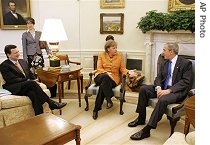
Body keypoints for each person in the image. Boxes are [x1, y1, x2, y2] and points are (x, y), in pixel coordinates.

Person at [128, 42, 193, 140]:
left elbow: (185, 82)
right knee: (143, 89)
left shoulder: (185, 63)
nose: (162, 53)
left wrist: (169, 90)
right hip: (163, 88)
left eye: (164, 50)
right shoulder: (165, 62)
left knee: (163, 99)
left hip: (176, 92)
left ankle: (147, 129)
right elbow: (158, 77)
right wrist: (158, 87)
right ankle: (141, 118)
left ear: (171, 51)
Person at [0, 44, 67, 115]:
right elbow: (11, 80)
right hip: (14, 86)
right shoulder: (4, 65)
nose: (18, 54)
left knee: (33, 94)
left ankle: (39, 116)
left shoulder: (22, 61)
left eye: (18, 52)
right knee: (31, 83)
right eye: (15, 53)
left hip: (26, 85)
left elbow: (30, 73)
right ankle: (51, 103)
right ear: (8, 55)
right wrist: (29, 81)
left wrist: (34, 79)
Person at [92, 39, 137, 120]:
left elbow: (123, 69)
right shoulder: (101, 55)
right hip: (100, 75)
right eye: (114, 48)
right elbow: (99, 68)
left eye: (116, 47)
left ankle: (96, 109)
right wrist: (106, 73)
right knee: (105, 77)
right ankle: (109, 99)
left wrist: (128, 72)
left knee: (103, 86)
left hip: (113, 79)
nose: (116, 49)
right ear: (108, 49)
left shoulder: (119, 56)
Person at [22, 17, 56, 97]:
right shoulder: (25, 34)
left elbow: (45, 44)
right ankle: (35, 88)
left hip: (38, 54)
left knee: (41, 72)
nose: (29, 25)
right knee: (32, 72)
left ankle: (42, 88)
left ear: (33, 24)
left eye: (30, 23)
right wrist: (25, 58)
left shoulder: (39, 33)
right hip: (30, 55)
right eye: (27, 23)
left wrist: (48, 52)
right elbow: (24, 47)